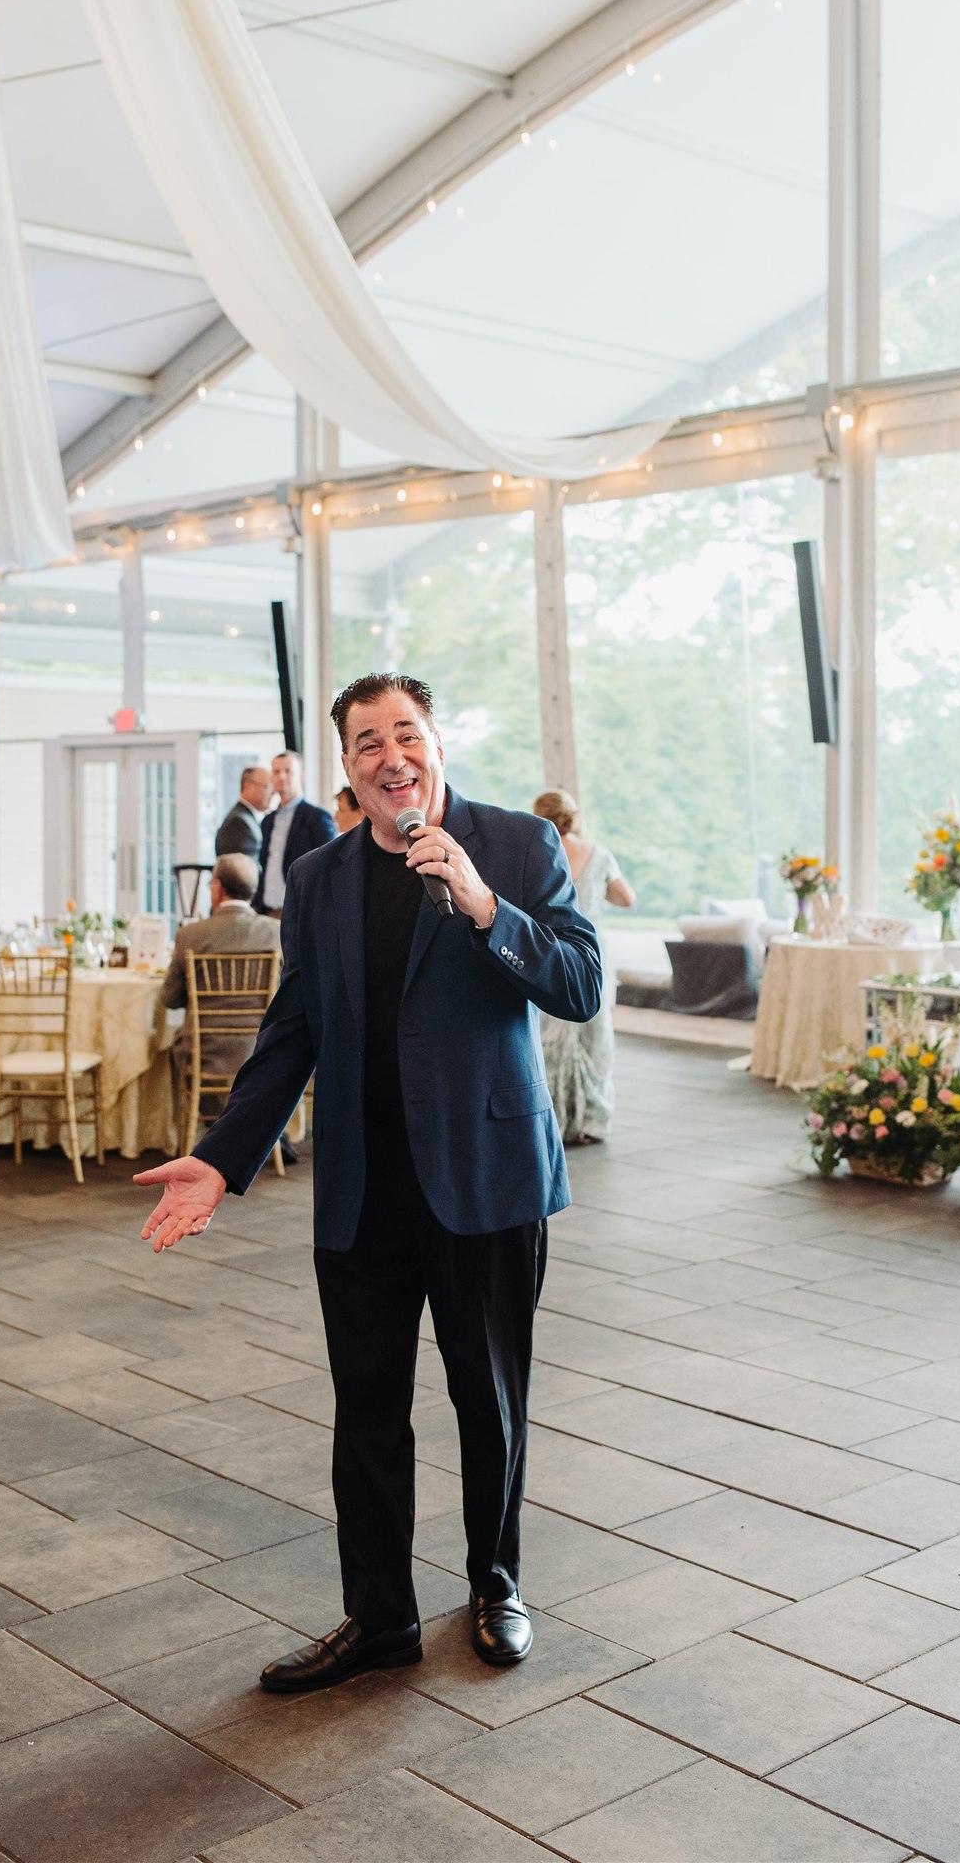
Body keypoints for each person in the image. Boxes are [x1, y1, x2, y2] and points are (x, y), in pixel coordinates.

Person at [135, 672, 601, 1693]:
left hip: (485, 1174)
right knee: (367, 1412)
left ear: (436, 739)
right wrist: (221, 1156)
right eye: (364, 742)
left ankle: (495, 1583)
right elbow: (292, 1031)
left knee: (489, 1400)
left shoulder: (516, 844)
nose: (389, 756)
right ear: (346, 766)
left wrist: (483, 904)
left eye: (405, 733)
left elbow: (578, 983)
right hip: (361, 1187)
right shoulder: (317, 875)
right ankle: (378, 1615)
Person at [533, 789, 636, 1147]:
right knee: (595, 1035)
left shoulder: (540, 850)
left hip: (552, 949)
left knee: (548, 1033)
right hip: (592, 951)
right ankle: (592, 1119)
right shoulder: (599, 854)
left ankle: (553, 1116)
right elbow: (627, 898)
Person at [160, 852, 281, 1091]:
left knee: (166, 1051)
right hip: (261, 1048)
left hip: (204, 1051)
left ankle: (210, 1117)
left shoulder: (190, 935)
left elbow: (170, 999)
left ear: (217, 888)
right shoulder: (276, 932)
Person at [254, 750, 336, 916]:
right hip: (267, 913)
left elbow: (329, 866)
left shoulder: (317, 818)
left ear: (302, 777)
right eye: (276, 772)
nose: (282, 777)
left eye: (288, 771)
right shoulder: (267, 821)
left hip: (301, 912)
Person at [214, 766, 273, 863]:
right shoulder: (239, 823)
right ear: (247, 786)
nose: (273, 792)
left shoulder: (244, 817)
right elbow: (244, 872)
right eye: (267, 786)